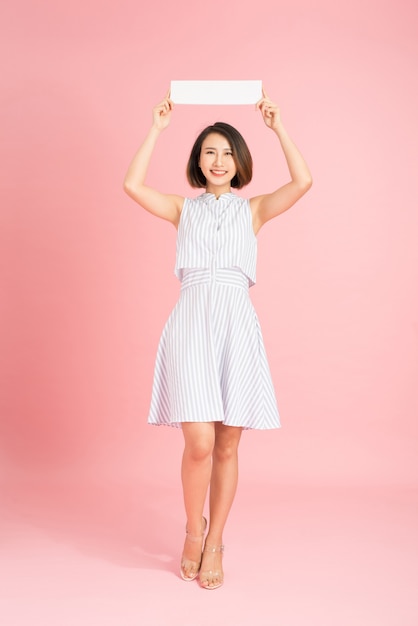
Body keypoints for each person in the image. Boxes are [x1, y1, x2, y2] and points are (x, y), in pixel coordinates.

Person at [123, 88, 312, 589]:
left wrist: (278, 126)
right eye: (209, 151)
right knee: (200, 443)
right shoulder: (182, 210)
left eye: (228, 152)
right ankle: (192, 530)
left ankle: (216, 542)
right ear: (197, 161)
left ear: (240, 161)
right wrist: (157, 128)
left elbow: (304, 181)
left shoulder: (253, 211)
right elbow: (131, 184)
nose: (219, 160)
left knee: (227, 446)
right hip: (191, 323)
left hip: (236, 327)